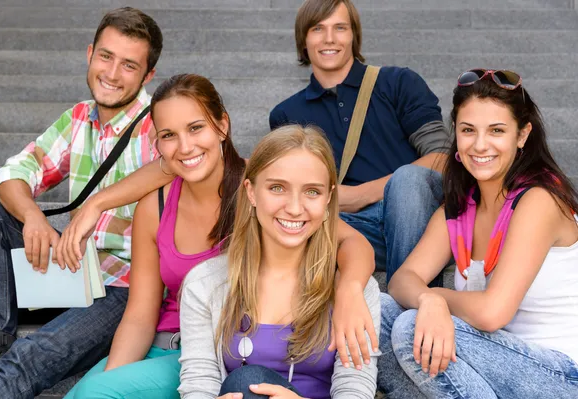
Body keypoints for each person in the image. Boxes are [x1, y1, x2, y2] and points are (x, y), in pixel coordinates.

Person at [63, 74, 379, 399]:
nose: (185, 146)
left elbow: (348, 241)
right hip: (184, 345)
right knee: (87, 392)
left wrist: (351, 289)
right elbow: (140, 315)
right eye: (169, 135)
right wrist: (99, 202)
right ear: (157, 144)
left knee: (96, 391)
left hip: (221, 348)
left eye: (196, 128)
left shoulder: (265, 191)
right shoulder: (161, 210)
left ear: (222, 126)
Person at [0, 7, 162, 398]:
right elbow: (12, 174)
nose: (112, 74)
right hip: (75, 269)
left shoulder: (160, 124)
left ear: (148, 76)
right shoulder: (79, 118)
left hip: (125, 287)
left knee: (32, 356)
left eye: (129, 65)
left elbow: (178, 165)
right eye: (106, 57)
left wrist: (97, 204)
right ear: (90, 53)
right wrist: (32, 218)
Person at [379, 69, 578, 398]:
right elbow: (403, 279)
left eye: (496, 130)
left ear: (522, 135)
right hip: (490, 366)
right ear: (455, 133)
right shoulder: (459, 210)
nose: (480, 144)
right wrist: (428, 299)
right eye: (468, 130)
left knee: (411, 326)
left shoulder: (540, 200)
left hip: (560, 375)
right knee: (378, 313)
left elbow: (491, 312)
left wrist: (436, 302)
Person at [178, 124, 381, 399]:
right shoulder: (205, 285)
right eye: (277, 188)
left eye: (312, 192)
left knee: (246, 380)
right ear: (251, 192)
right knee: (244, 383)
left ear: (329, 199)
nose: (295, 208)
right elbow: (197, 386)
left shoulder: (356, 290)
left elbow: (356, 391)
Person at [269, 0, 448, 283]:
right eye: (318, 29)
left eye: (340, 28)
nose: (329, 38)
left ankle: (410, 305)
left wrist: (360, 194)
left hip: (415, 216)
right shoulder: (286, 114)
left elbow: (443, 158)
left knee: (409, 181)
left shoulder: (399, 82)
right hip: (347, 226)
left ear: (354, 36)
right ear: (304, 39)